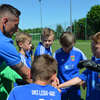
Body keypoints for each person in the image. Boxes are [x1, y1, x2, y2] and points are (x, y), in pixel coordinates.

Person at [0, 4, 31, 100]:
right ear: (4, 21)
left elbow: (3, 67)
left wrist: (16, 77)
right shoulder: (3, 42)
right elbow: (26, 74)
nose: (17, 29)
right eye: (16, 25)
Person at [53, 32, 87, 100]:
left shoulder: (78, 52)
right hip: (62, 86)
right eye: (65, 48)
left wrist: (84, 80)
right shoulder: (57, 54)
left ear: (74, 44)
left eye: (70, 48)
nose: (68, 50)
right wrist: (54, 79)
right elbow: (51, 68)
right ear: (61, 44)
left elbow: (88, 65)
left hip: (75, 86)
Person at [83, 32, 100, 100]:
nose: (92, 50)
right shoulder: (93, 60)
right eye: (91, 47)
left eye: (95, 48)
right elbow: (81, 77)